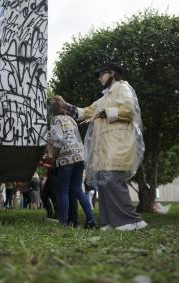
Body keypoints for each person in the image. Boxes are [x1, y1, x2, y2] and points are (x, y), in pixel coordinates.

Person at [55, 62, 147, 231]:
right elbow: (86, 112)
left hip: (119, 146)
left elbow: (130, 111)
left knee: (113, 181)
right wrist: (65, 105)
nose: (98, 78)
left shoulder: (122, 87)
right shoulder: (105, 97)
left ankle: (131, 221)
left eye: (101, 74)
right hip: (106, 148)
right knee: (104, 183)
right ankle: (110, 222)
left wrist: (107, 112)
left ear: (111, 73)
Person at [47, 101, 96, 228]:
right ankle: (91, 221)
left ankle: (63, 223)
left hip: (66, 158)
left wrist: (53, 157)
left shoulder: (55, 120)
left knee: (62, 190)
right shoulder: (71, 119)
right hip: (80, 156)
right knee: (78, 190)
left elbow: (58, 141)